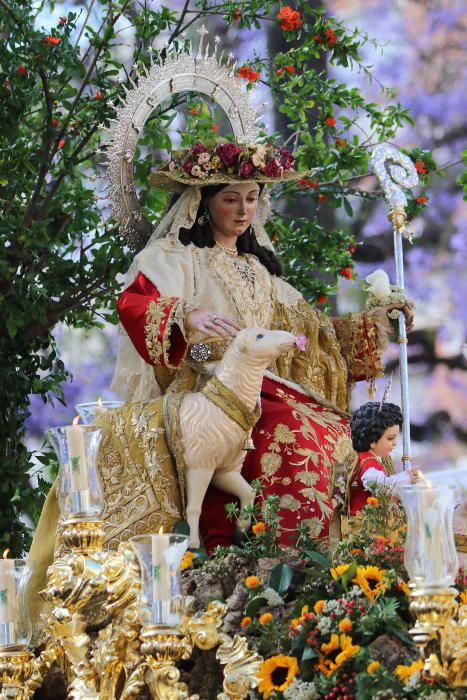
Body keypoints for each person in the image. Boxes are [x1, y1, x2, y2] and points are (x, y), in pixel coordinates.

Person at [109, 139, 414, 552]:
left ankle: (356, 549)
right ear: (203, 201)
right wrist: (185, 315)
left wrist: (376, 323)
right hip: (207, 387)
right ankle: (285, 550)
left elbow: (312, 336)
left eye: (252, 199)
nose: (242, 211)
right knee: (290, 429)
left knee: (341, 429)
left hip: (263, 384)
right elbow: (134, 303)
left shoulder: (259, 270)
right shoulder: (177, 258)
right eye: (230, 199)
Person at [345, 401, 411, 519]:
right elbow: (380, 485)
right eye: (390, 438)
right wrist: (406, 478)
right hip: (363, 523)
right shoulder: (368, 463)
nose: (395, 443)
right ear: (372, 441)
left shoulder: (366, 458)